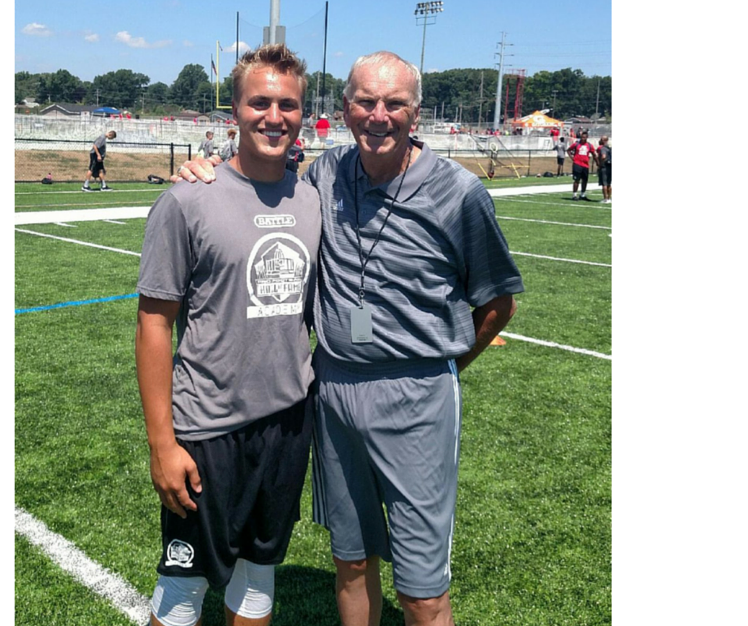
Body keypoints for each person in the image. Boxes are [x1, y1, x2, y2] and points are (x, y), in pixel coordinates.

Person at [175, 50, 523, 626]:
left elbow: (498, 302)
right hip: (333, 389)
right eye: (365, 101)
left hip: (417, 396)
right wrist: (201, 169)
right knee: (352, 562)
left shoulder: (458, 192)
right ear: (345, 108)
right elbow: (253, 179)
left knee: (422, 589)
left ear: (417, 113)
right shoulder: (325, 173)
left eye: (394, 103)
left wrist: (445, 369)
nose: (378, 115)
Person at [135, 44, 320, 626]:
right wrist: (162, 444)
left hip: (288, 422)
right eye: (259, 102)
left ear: (303, 114)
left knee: (258, 581)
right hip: (206, 427)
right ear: (234, 111)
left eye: (287, 105)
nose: (274, 116)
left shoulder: (315, 200)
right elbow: (153, 323)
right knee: (183, 589)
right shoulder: (188, 199)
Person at [567, 130, 596, 200]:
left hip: (585, 165)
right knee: (576, 180)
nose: (583, 139)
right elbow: (568, 150)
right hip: (577, 164)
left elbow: (594, 154)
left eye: (584, 137)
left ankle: (582, 194)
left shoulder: (589, 145)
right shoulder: (576, 144)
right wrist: (572, 158)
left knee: (585, 180)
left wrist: (597, 161)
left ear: (587, 137)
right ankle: (574, 195)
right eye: (582, 137)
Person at [596, 135, 612, 204]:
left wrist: (600, 164)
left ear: (604, 140)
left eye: (601, 139)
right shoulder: (610, 148)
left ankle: (605, 199)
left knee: (604, 184)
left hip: (604, 167)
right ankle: (609, 198)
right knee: (609, 183)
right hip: (610, 167)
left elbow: (603, 156)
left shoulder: (603, 148)